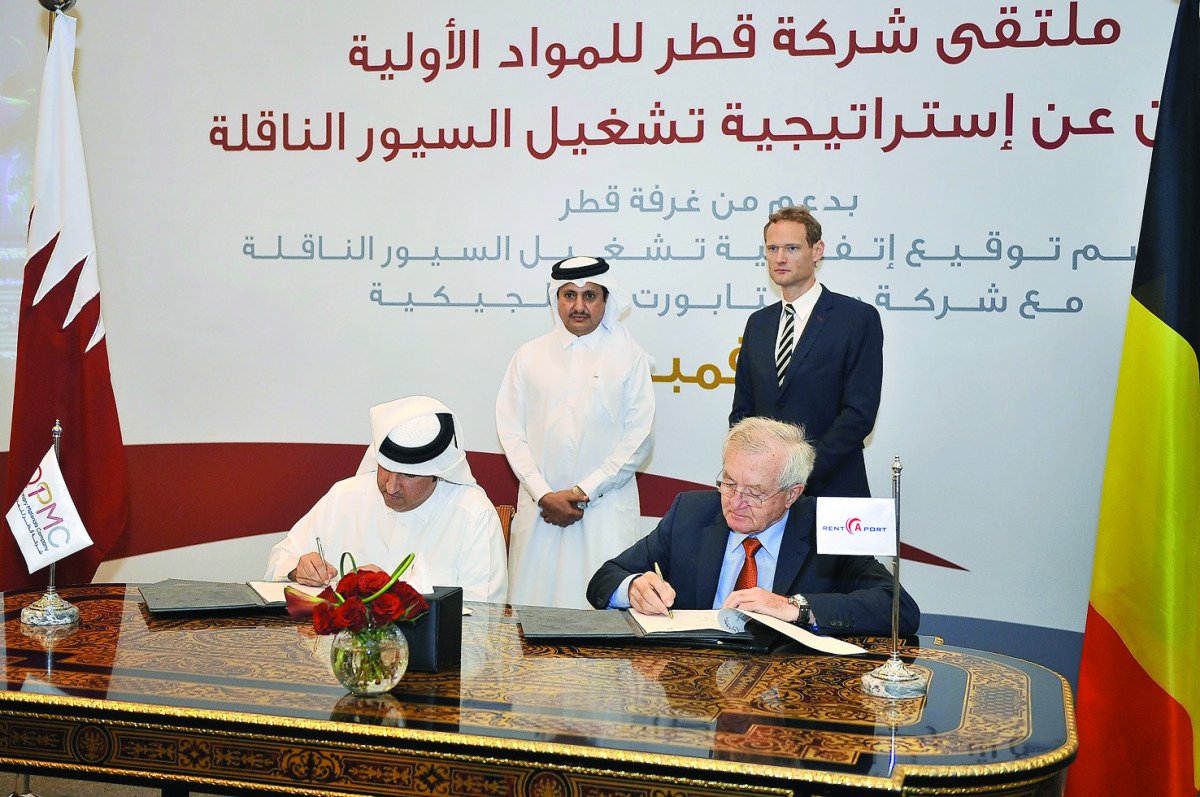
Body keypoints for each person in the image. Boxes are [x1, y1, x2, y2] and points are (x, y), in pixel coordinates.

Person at [586, 417, 918, 636]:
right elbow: (604, 579)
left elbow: (900, 609)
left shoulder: (824, 526)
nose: (735, 501)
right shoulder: (691, 513)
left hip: (786, 702)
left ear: (792, 494)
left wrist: (796, 609)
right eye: (728, 483)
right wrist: (632, 588)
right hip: (697, 693)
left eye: (755, 493)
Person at [496, 255, 655, 609]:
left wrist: (585, 490)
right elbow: (510, 432)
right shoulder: (529, 355)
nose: (579, 306)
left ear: (606, 299)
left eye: (590, 296)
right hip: (542, 511)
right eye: (569, 295)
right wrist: (542, 494)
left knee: (603, 618)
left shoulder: (628, 356)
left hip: (603, 511)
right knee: (532, 614)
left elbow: (639, 438)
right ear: (557, 300)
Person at [264, 396, 508, 603]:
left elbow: (483, 620)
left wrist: (393, 596)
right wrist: (298, 570)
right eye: (385, 468)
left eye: (409, 475)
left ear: (438, 473)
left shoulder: (473, 515)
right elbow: (279, 559)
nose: (391, 486)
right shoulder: (345, 496)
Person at [730, 205, 883, 498]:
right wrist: (756, 472)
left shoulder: (855, 318)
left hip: (831, 489)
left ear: (817, 250)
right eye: (772, 248)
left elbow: (858, 414)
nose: (780, 258)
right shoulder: (758, 324)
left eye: (791, 248)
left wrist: (800, 474)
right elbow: (742, 411)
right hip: (765, 495)